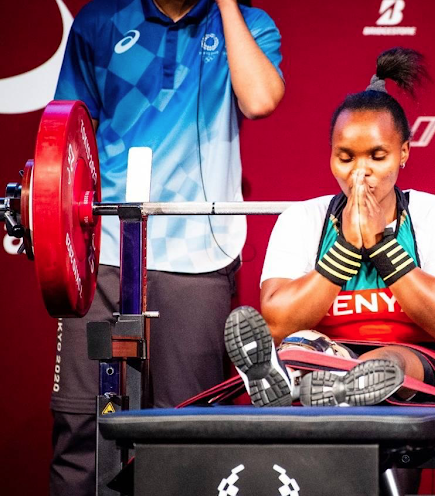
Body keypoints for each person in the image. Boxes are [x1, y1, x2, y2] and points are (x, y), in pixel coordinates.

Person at [50, 0, 284, 494]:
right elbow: (67, 135)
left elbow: (261, 100)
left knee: (187, 434)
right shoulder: (99, 22)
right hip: (105, 258)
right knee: (84, 431)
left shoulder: (250, 25)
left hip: (197, 260)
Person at [224, 47, 435, 412]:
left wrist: (380, 243)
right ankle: (301, 378)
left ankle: (321, 382)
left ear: (404, 152)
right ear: (330, 154)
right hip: (327, 351)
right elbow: (278, 321)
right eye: (345, 157)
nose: (360, 172)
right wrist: (344, 247)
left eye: (378, 156)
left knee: (389, 360)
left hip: (416, 360)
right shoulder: (303, 219)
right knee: (299, 345)